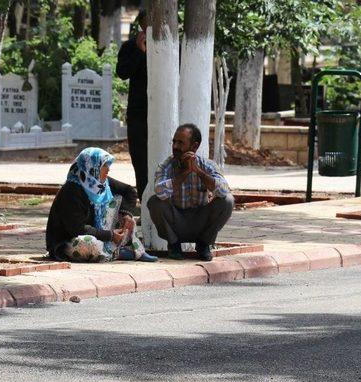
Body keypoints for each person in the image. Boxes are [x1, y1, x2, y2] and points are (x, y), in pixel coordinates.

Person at [46, 147, 157, 263]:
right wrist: (110, 236)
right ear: (93, 168)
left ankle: (130, 249)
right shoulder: (72, 191)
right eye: (104, 165)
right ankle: (117, 252)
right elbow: (78, 230)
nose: (108, 169)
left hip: (100, 234)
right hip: (68, 242)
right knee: (88, 243)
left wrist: (126, 214)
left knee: (122, 209)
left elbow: (129, 191)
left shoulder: (100, 182)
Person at [147, 124, 234, 261]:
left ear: (194, 146)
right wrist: (184, 173)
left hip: (200, 221)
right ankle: (174, 245)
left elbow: (223, 190)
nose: (175, 146)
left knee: (228, 201)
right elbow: (160, 192)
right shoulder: (165, 165)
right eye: (174, 142)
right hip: (176, 222)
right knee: (154, 202)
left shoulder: (207, 165)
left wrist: (198, 171)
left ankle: (204, 244)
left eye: (180, 143)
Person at [116, 10, 148, 198]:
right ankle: (144, 202)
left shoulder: (171, 46)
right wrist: (139, 50)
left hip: (161, 111)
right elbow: (122, 72)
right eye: (146, 23)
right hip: (138, 112)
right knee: (140, 159)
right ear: (141, 25)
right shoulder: (129, 47)